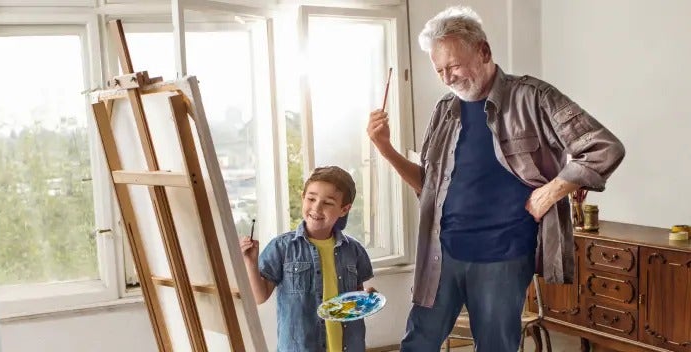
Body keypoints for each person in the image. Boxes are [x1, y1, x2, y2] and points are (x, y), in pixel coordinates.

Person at [366, 6, 625, 352]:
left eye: (454, 65)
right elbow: (429, 188)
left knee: (495, 347)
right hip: (442, 254)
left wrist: (552, 191)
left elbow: (605, 147)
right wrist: (386, 149)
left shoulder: (534, 98)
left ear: (484, 51)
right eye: (439, 69)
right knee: (417, 343)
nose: (446, 78)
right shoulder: (445, 109)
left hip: (502, 257)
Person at [240, 166, 374, 352]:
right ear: (303, 198)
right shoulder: (282, 247)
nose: (316, 208)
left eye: (328, 203)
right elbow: (259, 296)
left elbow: (356, 298)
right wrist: (250, 262)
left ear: (344, 209)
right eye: (311, 199)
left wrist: (367, 298)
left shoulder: (354, 250)